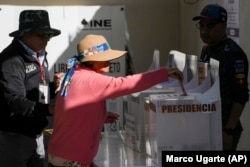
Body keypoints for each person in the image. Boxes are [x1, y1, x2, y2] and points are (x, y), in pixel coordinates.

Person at [47, 34, 184, 167]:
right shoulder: (92, 80)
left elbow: (70, 112)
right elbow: (126, 84)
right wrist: (164, 73)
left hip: (59, 153)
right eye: (105, 58)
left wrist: (100, 116)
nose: (109, 61)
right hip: (73, 157)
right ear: (93, 61)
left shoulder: (72, 76)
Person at [0, 10, 63, 167]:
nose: (47, 39)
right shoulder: (11, 59)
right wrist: (49, 109)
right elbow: (15, 101)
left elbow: (38, 92)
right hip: (15, 137)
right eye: (42, 35)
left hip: (36, 133)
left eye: (49, 35)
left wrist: (52, 86)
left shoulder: (38, 54)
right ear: (26, 34)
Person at [192, 4, 249, 150]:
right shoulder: (206, 49)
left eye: (209, 26)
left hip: (224, 128)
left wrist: (228, 130)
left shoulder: (233, 54)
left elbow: (241, 96)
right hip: (207, 124)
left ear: (223, 26)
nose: (204, 31)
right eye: (201, 26)